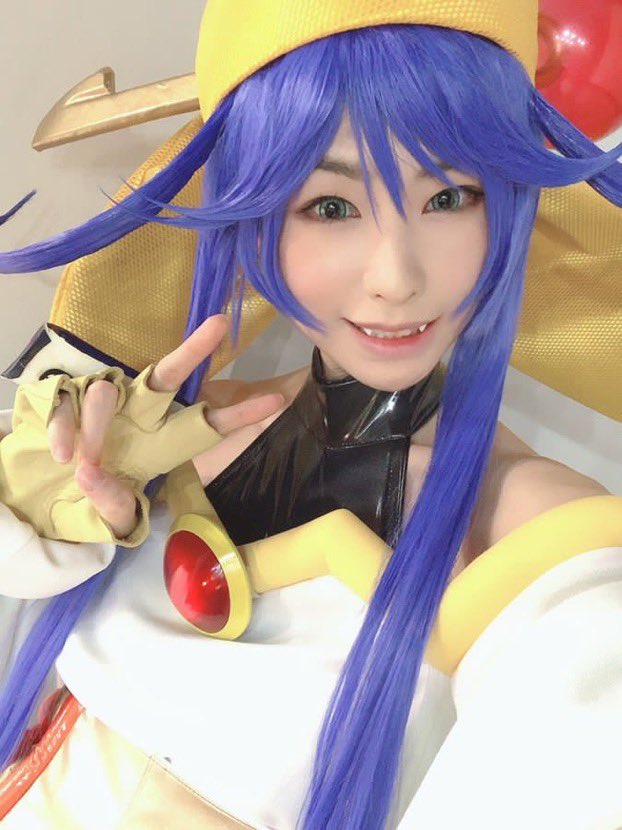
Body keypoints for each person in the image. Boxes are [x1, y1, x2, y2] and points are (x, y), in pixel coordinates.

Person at [0, 1, 621, 827]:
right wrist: (33, 517)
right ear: (255, 214)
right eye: (331, 206)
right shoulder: (161, 439)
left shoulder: (536, 537)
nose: (396, 278)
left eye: (451, 197)